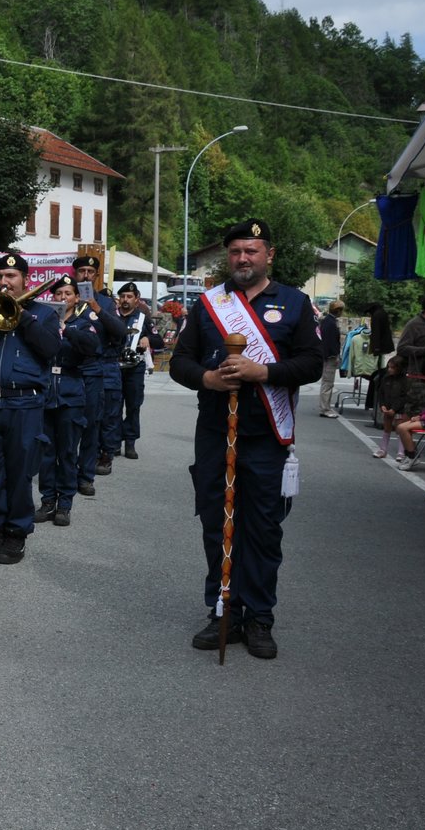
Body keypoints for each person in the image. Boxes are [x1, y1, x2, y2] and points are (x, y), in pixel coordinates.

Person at [169, 218, 323, 660]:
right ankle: (223, 610)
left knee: (261, 530)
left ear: (268, 254)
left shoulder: (294, 303)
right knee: (217, 525)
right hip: (217, 434)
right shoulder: (209, 305)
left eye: (251, 251)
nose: (242, 259)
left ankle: (259, 616)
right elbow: (181, 362)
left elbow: (312, 363)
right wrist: (208, 378)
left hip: (266, 438)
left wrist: (265, 372)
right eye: (235, 251)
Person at [0, 251, 60, 564]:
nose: (5, 282)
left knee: (19, 472)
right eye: (0, 277)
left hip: (25, 402)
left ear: (25, 280)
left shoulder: (43, 314)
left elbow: (51, 349)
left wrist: (23, 316)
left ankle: (16, 532)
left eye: (11, 277)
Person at [35, 275, 94, 527]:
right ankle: (48, 500)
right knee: (46, 451)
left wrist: (66, 329)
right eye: (58, 294)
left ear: (76, 298)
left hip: (71, 393)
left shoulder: (83, 322)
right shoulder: (44, 321)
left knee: (68, 451)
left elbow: (93, 346)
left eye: (67, 294)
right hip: (47, 393)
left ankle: (65, 503)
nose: (62, 298)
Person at [73, 255, 124, 474]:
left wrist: (98, 309)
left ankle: (103, 454)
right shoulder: (67, 297)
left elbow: (119, 331)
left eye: (90, 272)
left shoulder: (104, 302)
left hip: (99, 364)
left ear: (95, 276)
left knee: (102, 416)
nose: (86, 275)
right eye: (82, 271)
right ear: (75, 274)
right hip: (73, 366)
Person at [115, 281, 160, 457]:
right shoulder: (113, 315)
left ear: (137, 299)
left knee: (133, 405)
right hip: (115, 367)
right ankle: (115, 441)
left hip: (134, 368)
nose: (125, 300)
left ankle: (130, 442)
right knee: (114, 406)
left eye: (129, 297)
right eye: (123, 296)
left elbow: (160, 341)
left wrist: (148, 338)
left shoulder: (143, 318)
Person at [317, 300, 344, 418]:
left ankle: (326, 407)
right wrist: (334, 355)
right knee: (328, 383)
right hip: (329, 357)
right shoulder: (331, 323)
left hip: (326, 355)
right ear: (338, 310)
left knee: (327, 383)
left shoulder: (327, 321)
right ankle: (325, 409)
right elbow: (330, 342)